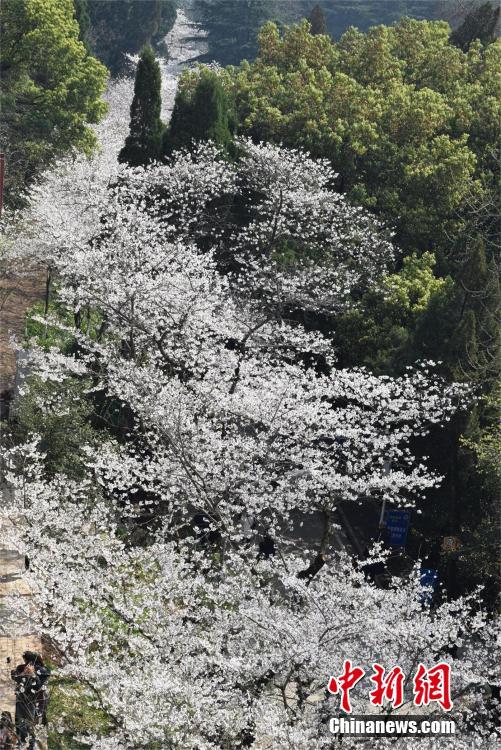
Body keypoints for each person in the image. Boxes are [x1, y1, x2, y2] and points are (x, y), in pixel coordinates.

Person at [11, 652, 50, 749]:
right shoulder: (22, 668)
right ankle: (22, 742)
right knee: (20, 722)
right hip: (21, 699)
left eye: (25, 660)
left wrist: (33, 674)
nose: (25, 663)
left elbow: (38, 685)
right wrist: (24, 673)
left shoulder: (43, 671)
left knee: (32, 723)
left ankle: (31, 744)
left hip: (35, 701)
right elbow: (14, 676)